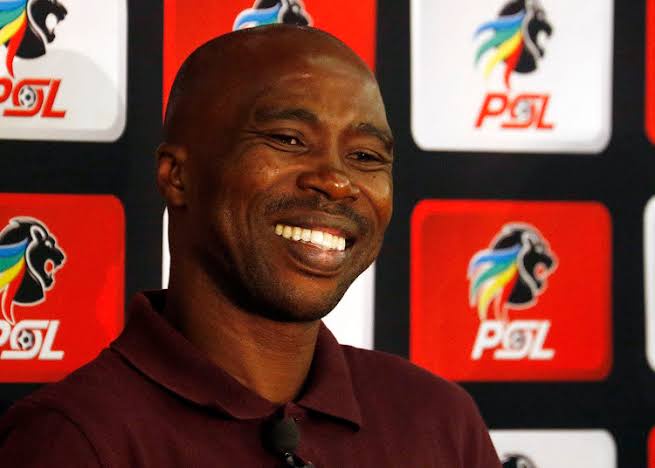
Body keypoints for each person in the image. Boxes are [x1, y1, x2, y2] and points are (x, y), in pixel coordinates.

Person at [0, 25, 501, 467]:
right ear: (177, 177)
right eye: (288, 139)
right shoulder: (75, 440)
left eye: (366, 156)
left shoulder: (439, 421)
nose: (337, 181)